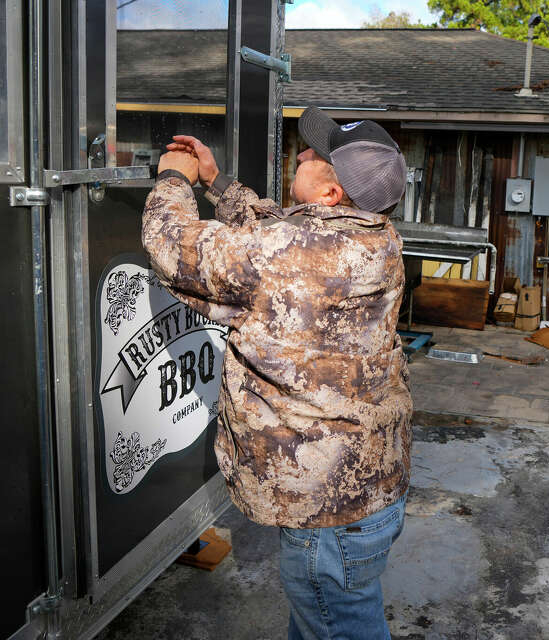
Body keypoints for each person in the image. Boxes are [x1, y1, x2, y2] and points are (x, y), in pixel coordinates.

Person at [142, 106, 412, 640]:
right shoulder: (376, 236)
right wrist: (219, 183)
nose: (303, 153)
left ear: (332, 195)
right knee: (331, 621)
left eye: (315, 155)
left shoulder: (286, 254)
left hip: (324, 507)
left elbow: (171, 245)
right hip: (367, 484)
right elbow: (279, 232)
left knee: (338, 627)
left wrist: (175, 177)